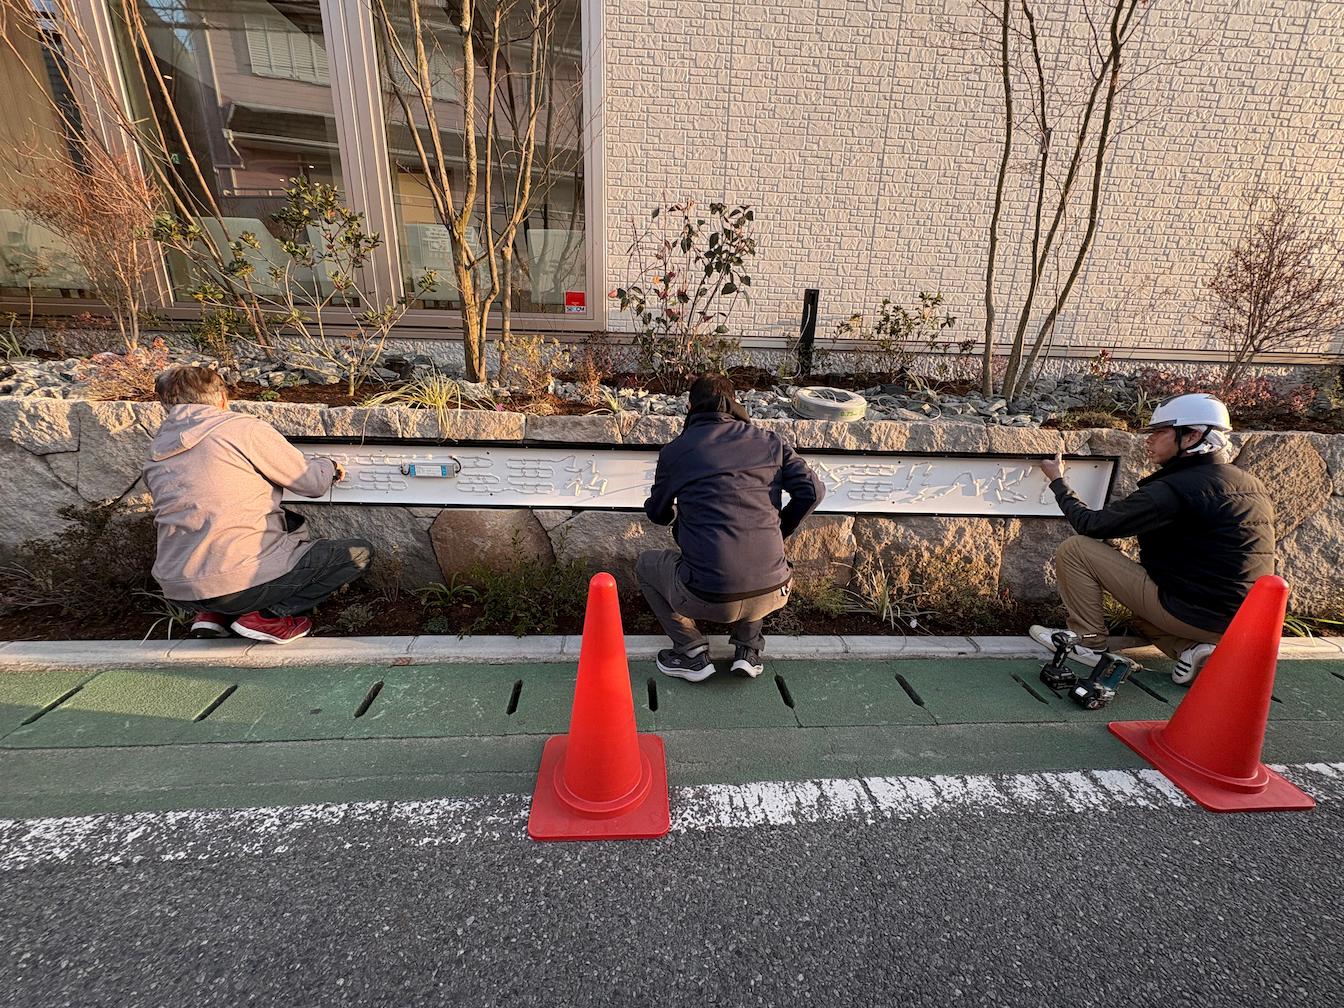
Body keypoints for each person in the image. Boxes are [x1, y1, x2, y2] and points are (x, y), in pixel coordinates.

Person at [1029, 392, 1275, 683]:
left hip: (1193, 612)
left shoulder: (1172, 490)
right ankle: (1195, 651)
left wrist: (1058, 481)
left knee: (1076, 549)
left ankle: (1088, 643)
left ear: (1192, 436)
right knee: (1138, 617)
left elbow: (1091, 525)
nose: (1149, 440)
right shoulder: (1249, 482)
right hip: (1244, 620)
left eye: (1160, 432)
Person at [144, 365, 373, 644]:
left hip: (180, 590)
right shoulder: (242, 429)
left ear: (166, 404)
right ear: (222, 398)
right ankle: (267, 616)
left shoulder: (158, 448)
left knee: (285, 521)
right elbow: (311, 483)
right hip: (237, 584)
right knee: (357, 554)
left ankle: (214, 616)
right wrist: (329, 465)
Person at [636, 374, 825, 682]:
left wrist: (672, 513)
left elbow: (658, 514)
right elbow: (813, 492)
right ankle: (748, 651)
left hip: (704, 596)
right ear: (737, 403)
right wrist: (780, 530)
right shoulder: (771, 442)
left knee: (646, 565)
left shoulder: (677, 451)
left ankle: (691, 652)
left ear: (690, 406)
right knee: (757, 556)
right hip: (775, 591)